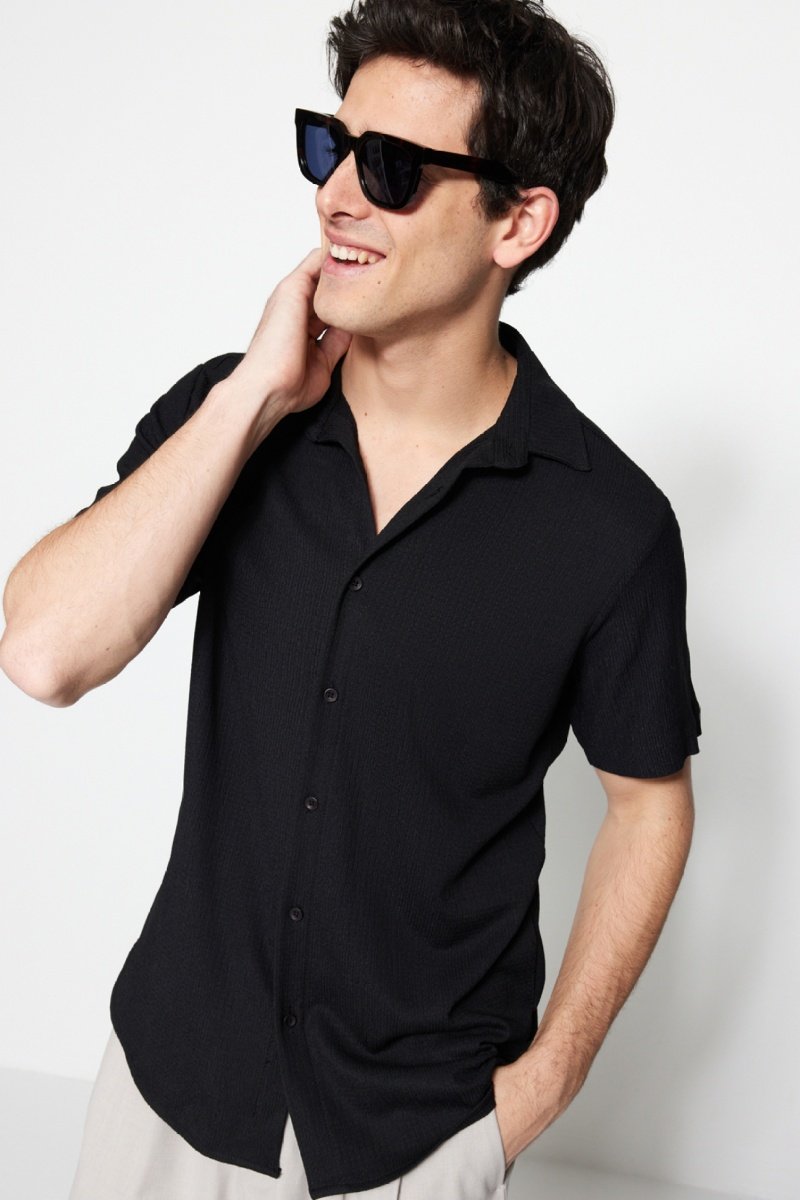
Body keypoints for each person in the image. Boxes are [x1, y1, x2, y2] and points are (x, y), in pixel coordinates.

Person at [0, 1, 702, 1198]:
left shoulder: (608, 525)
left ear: (517, 221)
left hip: (413, 1138)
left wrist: (541, 1085)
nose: (334, 195)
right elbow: (43, 653)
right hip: (170, 1087)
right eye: (329, 148)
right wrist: (251, 398)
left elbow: (647, 803)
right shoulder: (232, 418)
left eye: (390, 169)